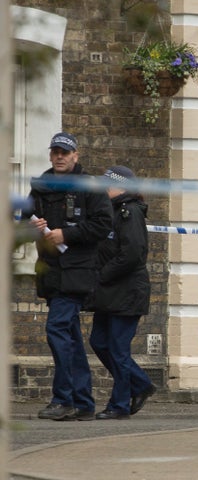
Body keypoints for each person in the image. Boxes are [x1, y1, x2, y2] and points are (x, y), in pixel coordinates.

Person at [25, 132, 113, 421]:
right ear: (50, 155)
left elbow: (102, 225)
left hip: (77, 271)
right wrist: (31, 227)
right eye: (56, 152)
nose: (60, 156)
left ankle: (63, 399)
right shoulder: (40, 186)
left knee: (57, 329)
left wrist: (67, 234)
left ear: (76, 156)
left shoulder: (90, 187)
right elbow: (22, 218)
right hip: (51, 271)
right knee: (70, 336)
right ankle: (83, 402)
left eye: (65, 152)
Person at [88, 166, 157, 420]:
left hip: (127, 292)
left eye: (108, 184)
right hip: (109, 293)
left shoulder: (131, 213)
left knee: (118, 348)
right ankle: (140, 384)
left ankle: (119, 405)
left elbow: (132, 254)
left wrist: (102, 275)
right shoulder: (110, 212)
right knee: (98, 341)